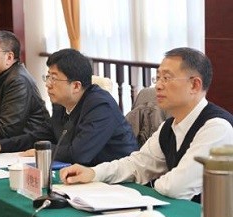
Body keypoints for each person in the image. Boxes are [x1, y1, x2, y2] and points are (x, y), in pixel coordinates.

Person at [59, 47, 233, 201]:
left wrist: (154, 182)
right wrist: (93, 173)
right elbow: (137, 164)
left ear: (194, 85)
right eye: (157, 78)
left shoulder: (217, 128)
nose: (158, 86)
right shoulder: (169, 127)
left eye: (167, 78)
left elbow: (176, 187)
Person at [0, 49, 138, 164]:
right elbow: (40, 135)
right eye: (48, 77)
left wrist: (41, 151)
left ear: (76, 86)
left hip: (118, 182)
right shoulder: (61, 103)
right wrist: (2, 145)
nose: (48, 84)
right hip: (82, 174)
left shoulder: (101, 106)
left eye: (54, 79)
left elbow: (79, 153)